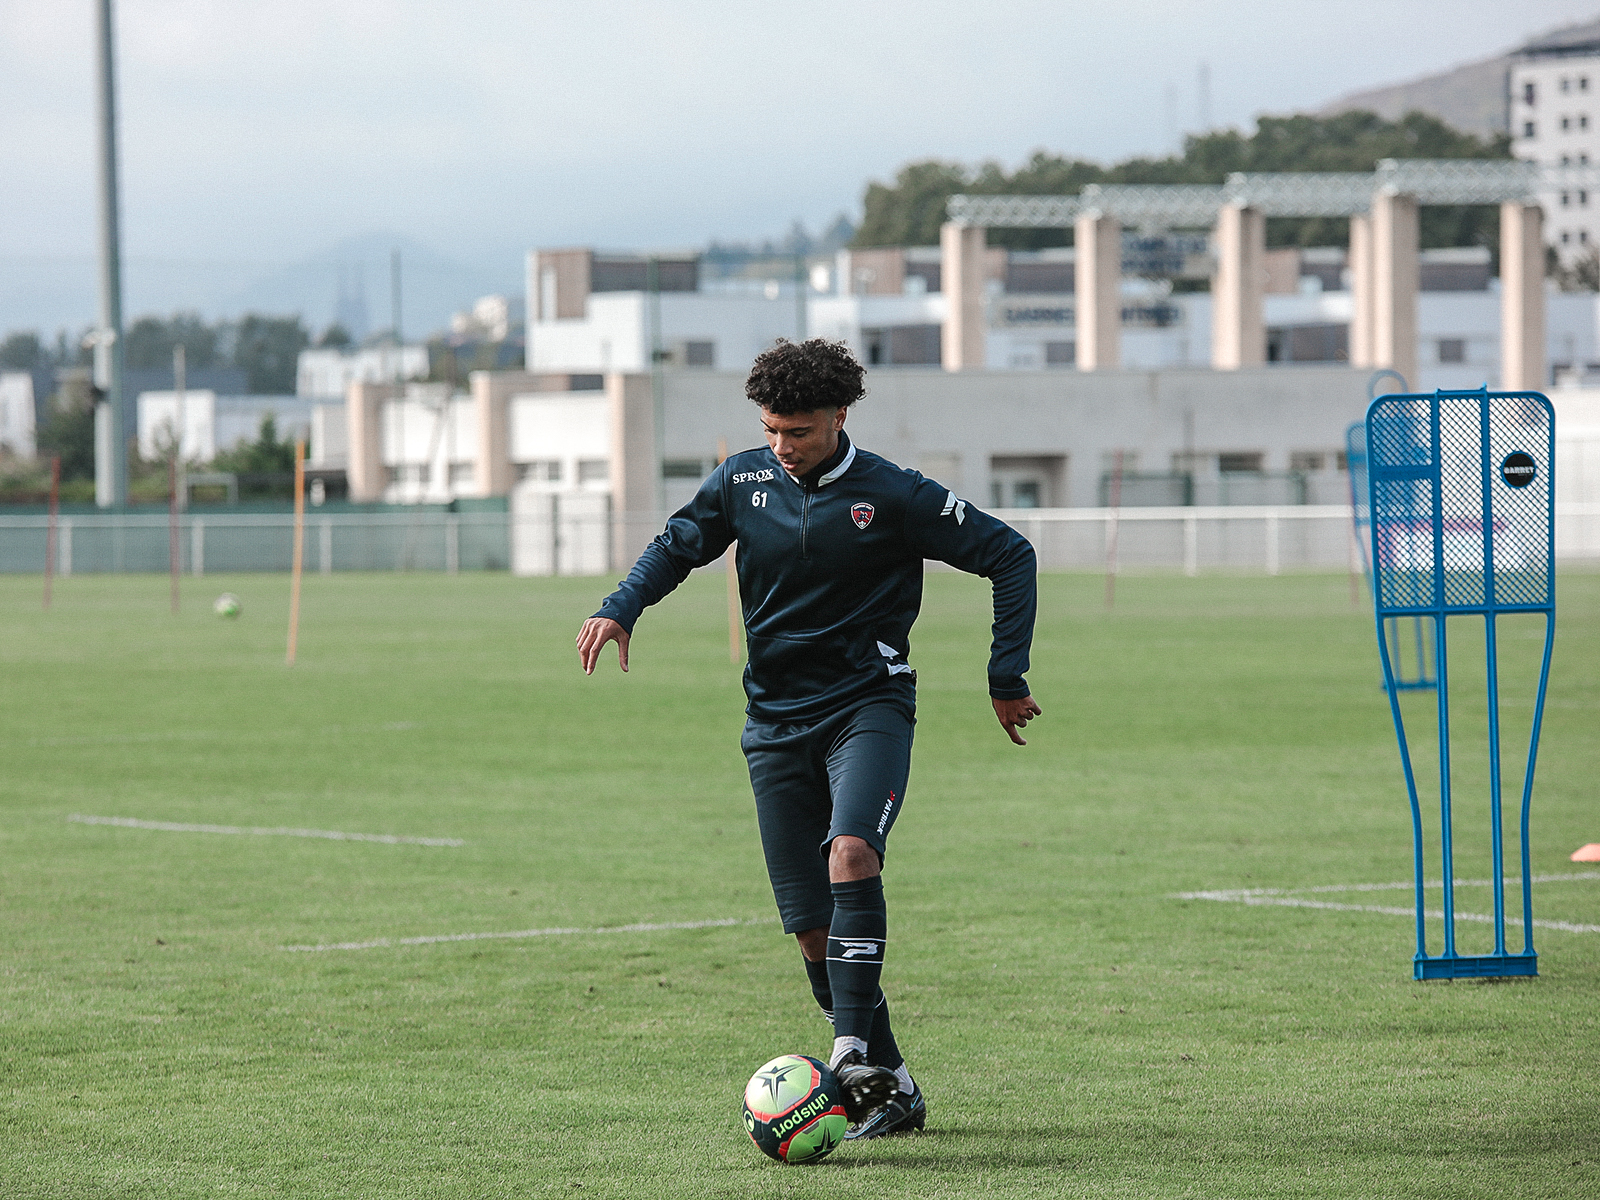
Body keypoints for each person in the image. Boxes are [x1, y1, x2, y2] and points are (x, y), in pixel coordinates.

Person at [577, 338, 1040, 1139]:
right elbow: (676, 546)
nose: (783, 448)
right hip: (774, 723)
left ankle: (849, 1049)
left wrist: (1005, 678)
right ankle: (891, 1084)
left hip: (869, 706)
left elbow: (1010, 553)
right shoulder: (742, 480)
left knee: (851, 853)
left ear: (840, 415)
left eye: (800, 432)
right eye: (771, 431)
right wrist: (622, 605)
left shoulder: (893, 493)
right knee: (811, 928)